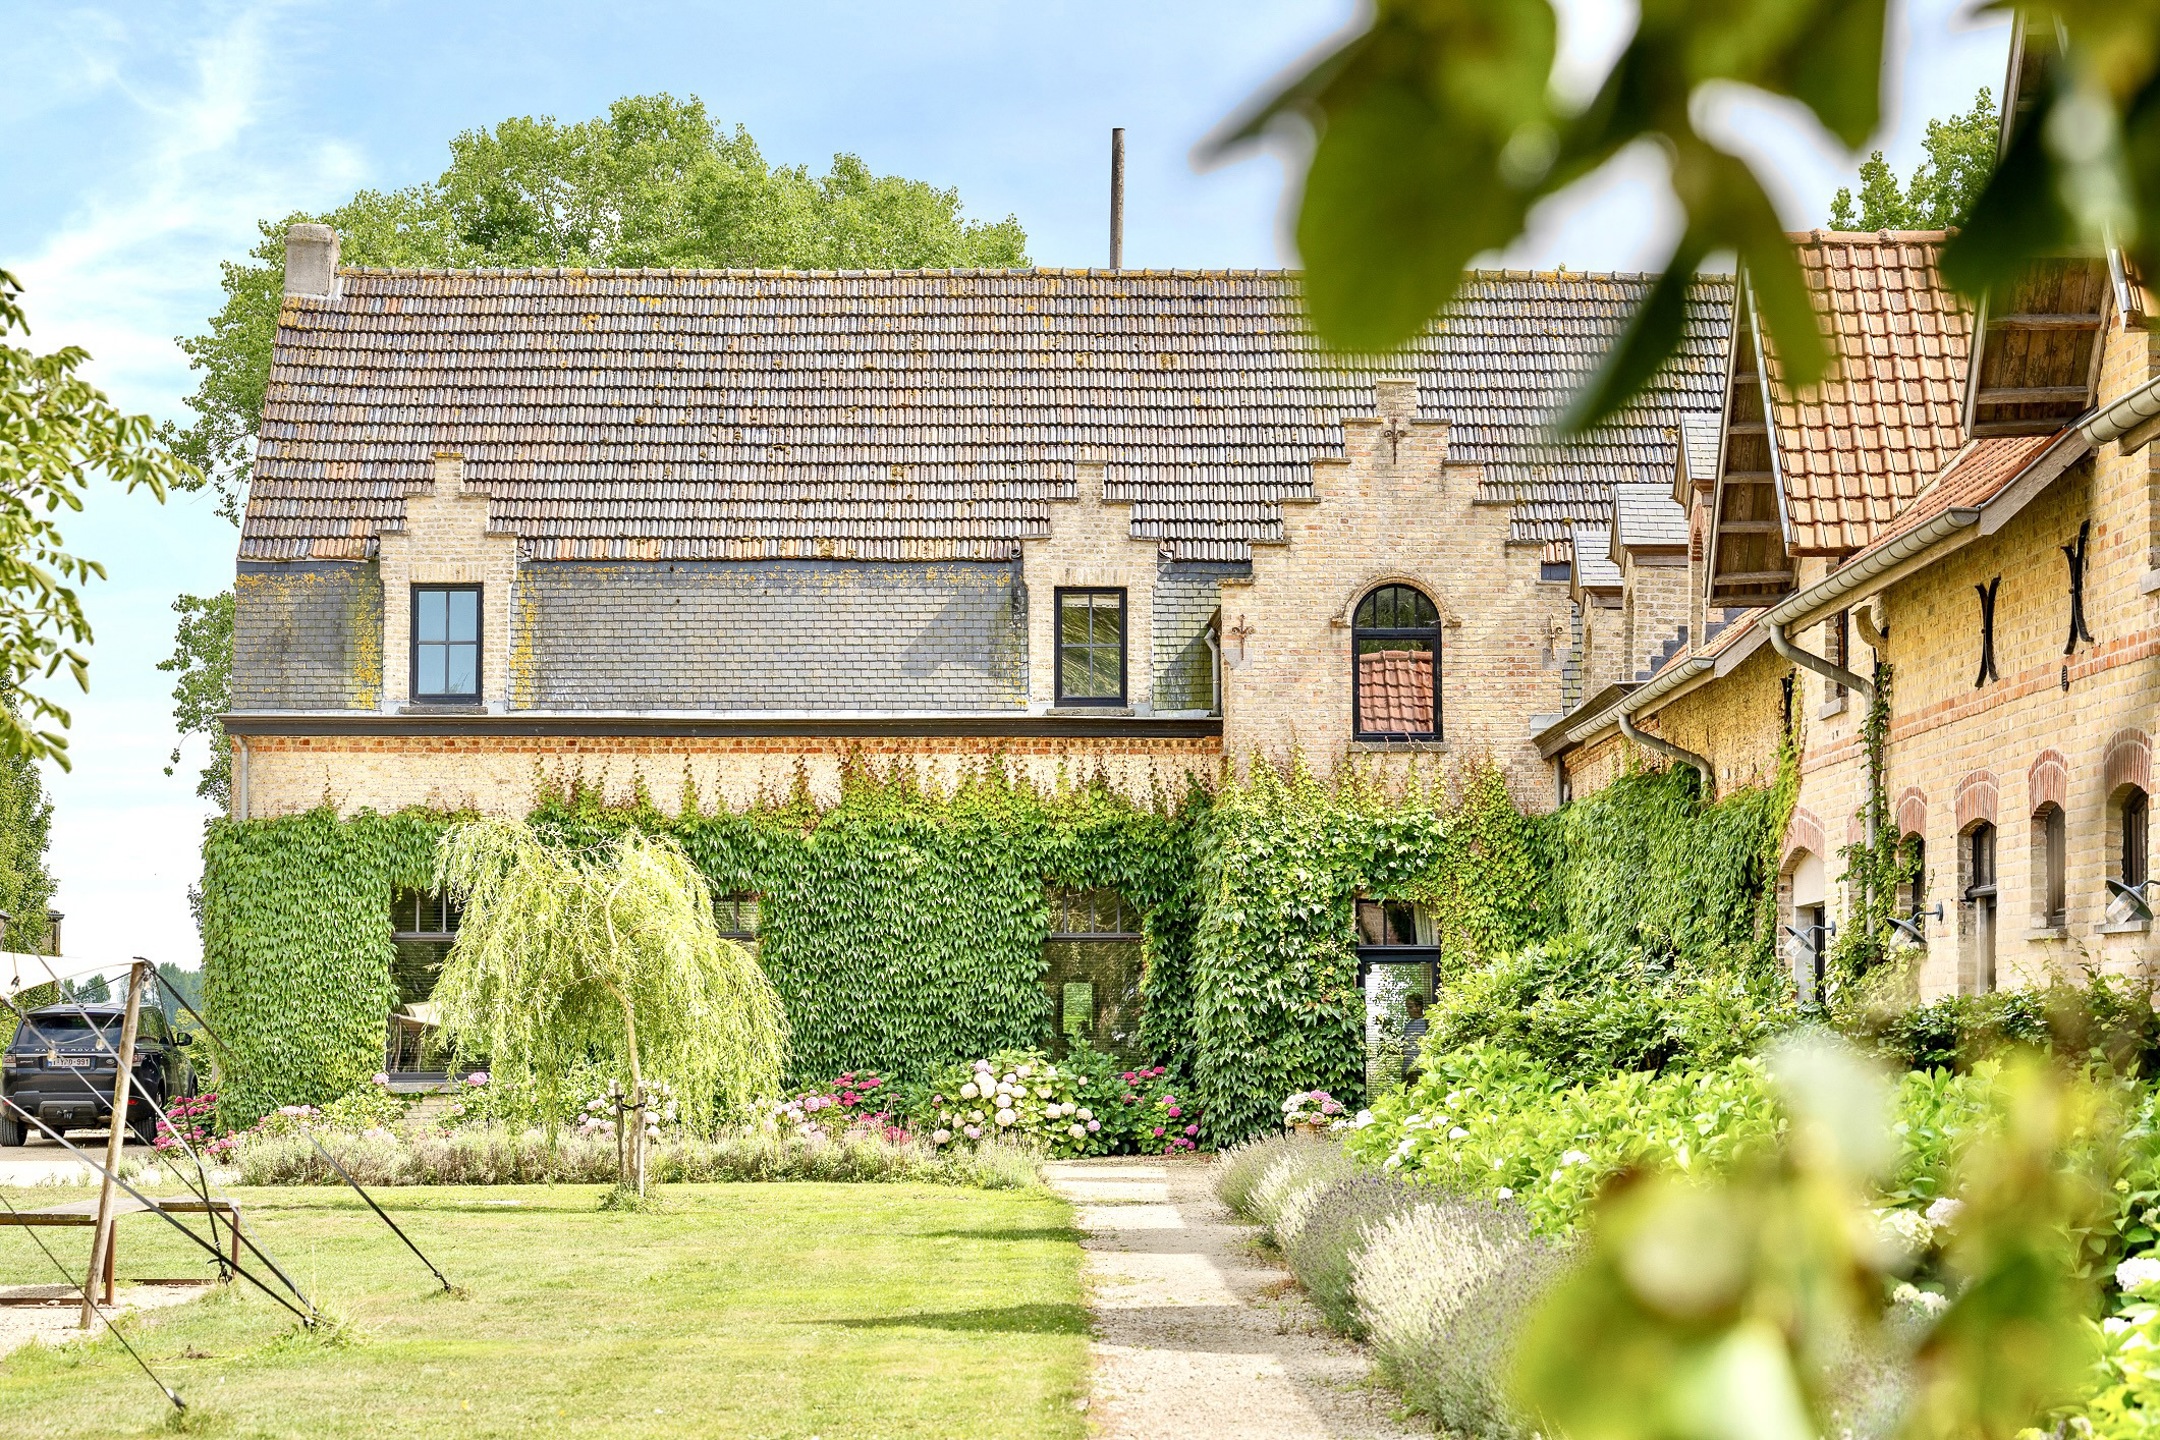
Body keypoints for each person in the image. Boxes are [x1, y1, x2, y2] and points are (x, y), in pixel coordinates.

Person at [1400, 993, 1429, 1080]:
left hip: (1420, 1070)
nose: (1407, 1010)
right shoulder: (1408, 1025)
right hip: (1407, 1070)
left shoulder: (1427, 1023)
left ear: (1418, 1007)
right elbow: (1405, 1049)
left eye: (1410, 1007)